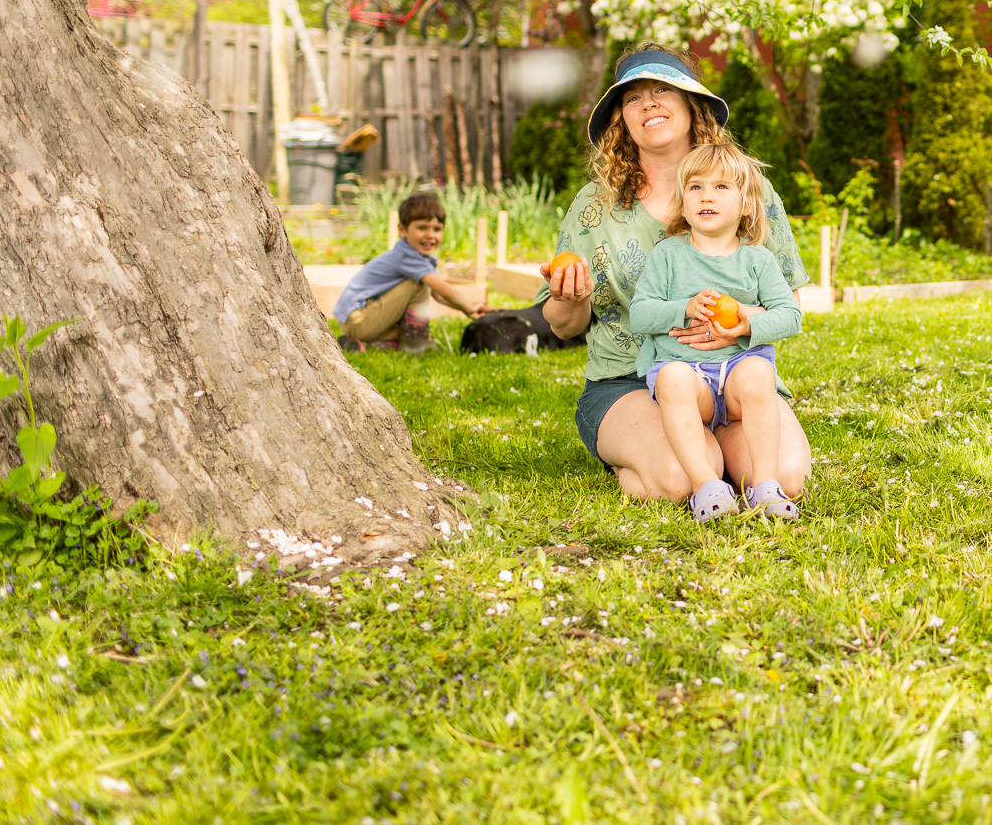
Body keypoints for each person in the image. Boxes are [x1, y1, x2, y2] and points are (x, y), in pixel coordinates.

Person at [538, 46, 814, 502]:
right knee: (681, 480)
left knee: (785, 478)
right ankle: (655, 458)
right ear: (620, 120)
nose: (648, 103)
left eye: (663, 89)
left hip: (735, 373)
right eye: (631, 98)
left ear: (692, 104)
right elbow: (562, 327)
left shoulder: (749, 189)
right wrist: (569, 298)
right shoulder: (594, 206)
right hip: (630, 381)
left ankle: (720, 458)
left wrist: (739, 323)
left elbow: (789, 304)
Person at [632, 144, 803, 520]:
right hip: (691, 382)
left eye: (721, 187)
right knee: (672, 377)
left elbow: (790, 316)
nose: (706, 195)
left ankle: (765, 485)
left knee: (759, 371)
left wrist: (747, 322)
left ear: (746, 204)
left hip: (739, 379)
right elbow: (640, 315)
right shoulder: (668, 256)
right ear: (682, 203)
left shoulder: (758, 259)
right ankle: (705, 484)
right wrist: (683, 308)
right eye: (695, 188)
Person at [332, 191, 486, 352]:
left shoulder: (415, 257)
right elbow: (442, 289)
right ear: (403, 230)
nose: (430, 235)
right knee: (416, 284)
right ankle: (415, 344)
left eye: (437, 229)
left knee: (405, 329)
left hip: (358, 320)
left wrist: (468, 309)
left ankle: (360, 345)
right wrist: (468, 307)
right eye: (422, 228)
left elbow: (438, 294)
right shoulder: (406, 256)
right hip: (358, 319)